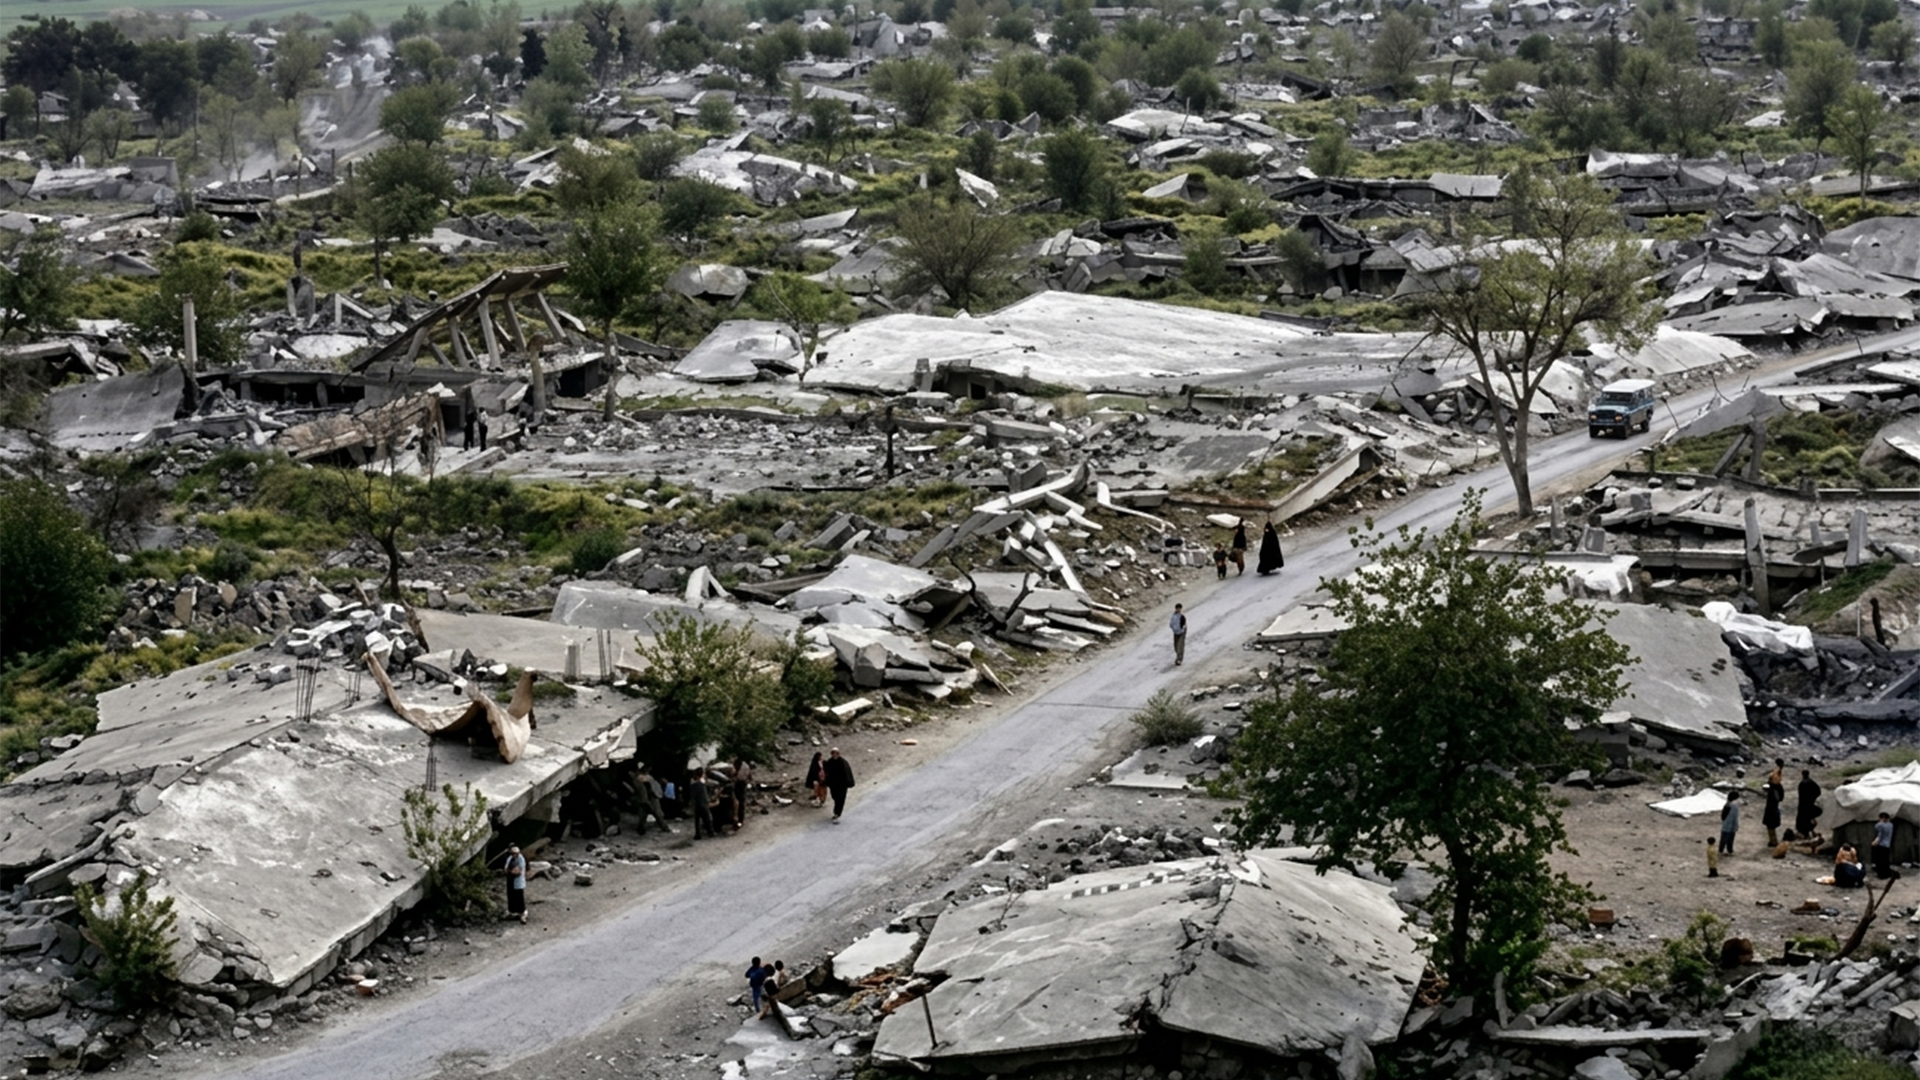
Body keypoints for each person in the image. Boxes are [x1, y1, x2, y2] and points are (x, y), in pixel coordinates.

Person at [634, 765, 671, 834]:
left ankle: (664, 827)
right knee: (645, 814)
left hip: (651, 796)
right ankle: (641, 828)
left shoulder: (648, 777)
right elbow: (641, 790)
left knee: (654, 813)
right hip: (646, 797)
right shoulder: (639, 778)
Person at [823, 748, 855, 823]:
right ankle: (836, 812)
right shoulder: (829, 762)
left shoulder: (843, 762)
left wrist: (849, 783)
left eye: (836, 753)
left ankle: (837, 814)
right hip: (833, 784)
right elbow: (826, 773)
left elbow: (847, 773)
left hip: (842, 785)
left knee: (841, 799)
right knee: (835, 797)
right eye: (833, 753)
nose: (835, 755)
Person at [503, 844, 528, 924]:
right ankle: (512, 910)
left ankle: (522, 913)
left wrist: (510, 871)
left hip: (517, 881)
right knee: (511, 896)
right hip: (510, 880)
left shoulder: (521, 859)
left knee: (519, 897)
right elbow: (506, 868)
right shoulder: (510, 858)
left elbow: (517, 871)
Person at [689, 770, 717, 839]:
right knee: (707, 818)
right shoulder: (702, 784)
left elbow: (692, 796)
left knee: (697, 820)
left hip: (697, 804)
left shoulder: (693, 784)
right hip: (703, 803)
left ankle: (698, 834)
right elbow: (705, 795)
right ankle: (710, 832)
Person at [1796, 770, 1822, 837]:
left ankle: (1806, 833)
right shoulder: (1812, 782)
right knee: (1810, 819)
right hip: (1810, 804)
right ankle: (1811, 831)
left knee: (1803, 820)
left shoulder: (1801, 783)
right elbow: (1818, 791)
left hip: (1803, 805)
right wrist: (1813, 798)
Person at [731, 758, 753, 830]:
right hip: (743, 784)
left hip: (739, 784)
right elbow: (750, 776)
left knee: (736, 802)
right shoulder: (746, 766)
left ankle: (737, 820)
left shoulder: (739, 766)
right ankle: (740, 820)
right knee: (741, 803)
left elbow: (734, 774)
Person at [1762, 776, 1783, 848]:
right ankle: (1773, 840)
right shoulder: (1777, 788)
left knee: (1770, 827)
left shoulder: (1774, 790)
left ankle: (1773, 841)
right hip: (1773, 809)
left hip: (1771, 810)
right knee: (1771, 827)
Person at [1873, 812, 1895, 879]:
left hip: (1881, 845)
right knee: (1886, 861)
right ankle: (1886, 873)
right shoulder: (1891, 825)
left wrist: (1875, 842)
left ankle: (1881, 875)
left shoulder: (1880, 825)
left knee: (1880, 861)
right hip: (1887, 844)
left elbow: (1878, 832)